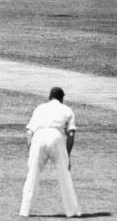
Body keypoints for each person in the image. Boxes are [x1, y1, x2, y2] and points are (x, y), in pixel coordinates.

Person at [19, 87, 81, 218]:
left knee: (32, 174)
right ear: (62, 98)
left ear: (49, 97)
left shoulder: (40, 108)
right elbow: (71, 134)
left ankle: (25, 211)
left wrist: (32, 151)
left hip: (38, 136)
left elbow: (29, 132)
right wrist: (67, 156)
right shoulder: (67, 110)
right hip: (56, 137)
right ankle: (72, 211)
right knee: (64, 175)